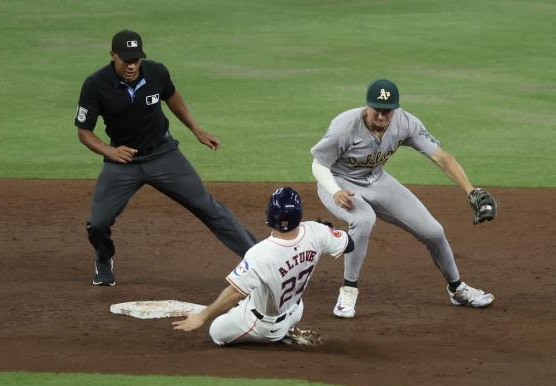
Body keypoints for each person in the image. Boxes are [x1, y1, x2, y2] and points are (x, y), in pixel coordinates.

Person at [74, 30, 256, 286]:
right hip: (123, 162)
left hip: (164, 155)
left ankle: (259, 258)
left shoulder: (156, 72)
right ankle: (104, 258)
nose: (132, 65)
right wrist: (109, 151)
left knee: (209, 208)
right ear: (112, 56)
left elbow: (172, 98)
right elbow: (84, 131)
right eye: (125, 60)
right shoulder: (95, 84)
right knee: (98, 223)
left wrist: (196, 128)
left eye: (136, 59)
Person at [310, 78, 497, 318]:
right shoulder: (344, 126)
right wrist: (335, 190)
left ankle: (457, 288)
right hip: (338, 181)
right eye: (377, 109)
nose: (382, 116)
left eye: (388, 110)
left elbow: (441, 157)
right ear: (367, 106)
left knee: (433, 231)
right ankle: (349, 289)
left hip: (377, 179)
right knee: (364, 220)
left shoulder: (406, 123)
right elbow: (319, 164)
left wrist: (471, 190)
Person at [172, 187, 355, 346]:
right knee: (265, 285)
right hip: (295, 309)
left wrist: (202, 316)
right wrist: (326, 230)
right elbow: (350, 244)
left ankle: (280, 334)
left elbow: (235, 292)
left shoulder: (260, 253)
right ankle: (287, 328)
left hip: (264, 326)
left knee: (216, 333)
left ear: (269, 216)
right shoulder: (317, 232)